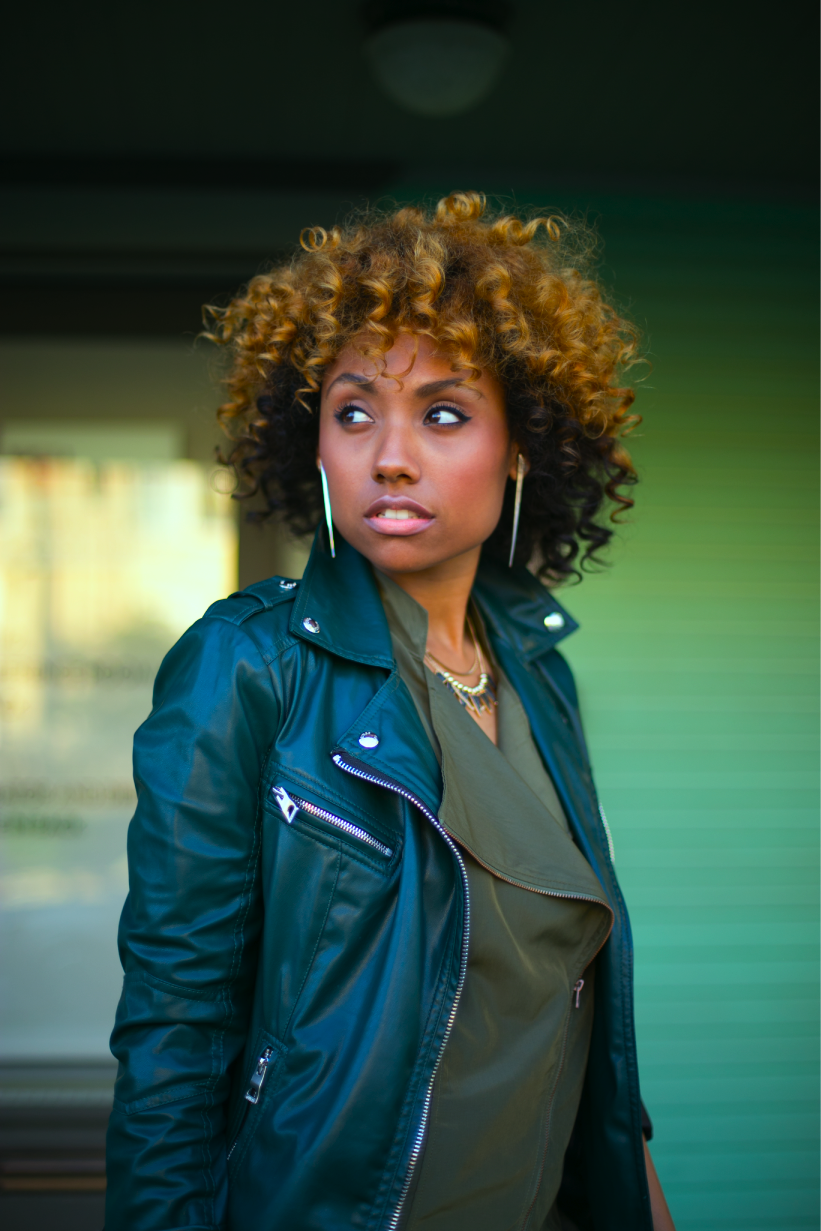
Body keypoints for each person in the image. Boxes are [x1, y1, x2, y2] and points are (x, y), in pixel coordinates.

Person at [105, 192, 676, 1231]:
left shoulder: (539, 675)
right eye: (354, 410)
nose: (391, 455)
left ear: (518, 449)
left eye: (443, 412)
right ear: (312, 446)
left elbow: (569, 1004)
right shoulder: (246, 664)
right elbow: (172, 1029)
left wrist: (635, 1192)